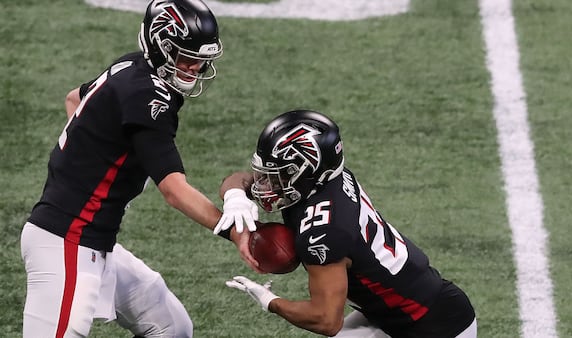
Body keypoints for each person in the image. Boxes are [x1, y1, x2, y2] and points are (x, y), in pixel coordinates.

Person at [19, 0, 257, 337]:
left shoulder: (131, 66)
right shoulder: (149, 95)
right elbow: (174, 191)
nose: (193, 68)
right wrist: (232, 231)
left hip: (96, 240)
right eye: (185, 57)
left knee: (172, 328)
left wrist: (94, 151)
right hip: (67, 242)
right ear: (161, 47)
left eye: (201, 61)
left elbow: (75, 99)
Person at [224, 110, 478, 338]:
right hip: (395, 312)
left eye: (278, 174)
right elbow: (238, 180)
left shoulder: (324, 230)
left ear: (305, 170)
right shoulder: (324, 181)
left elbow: (326, 320)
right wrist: (235, 196)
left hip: (435, 327)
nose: (265, 184)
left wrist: (271, 301)